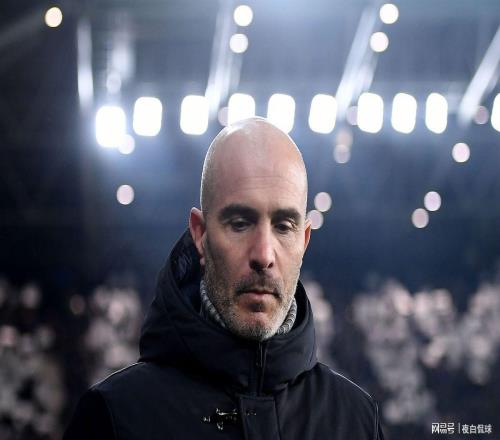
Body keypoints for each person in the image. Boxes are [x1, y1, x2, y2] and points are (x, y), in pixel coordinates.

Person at [64, 117, 385, 439]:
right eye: (240, 223)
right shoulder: (114, 416)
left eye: (283, 226)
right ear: (200, 234)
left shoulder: (357, 420)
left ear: (304, 241)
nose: (264, 254)